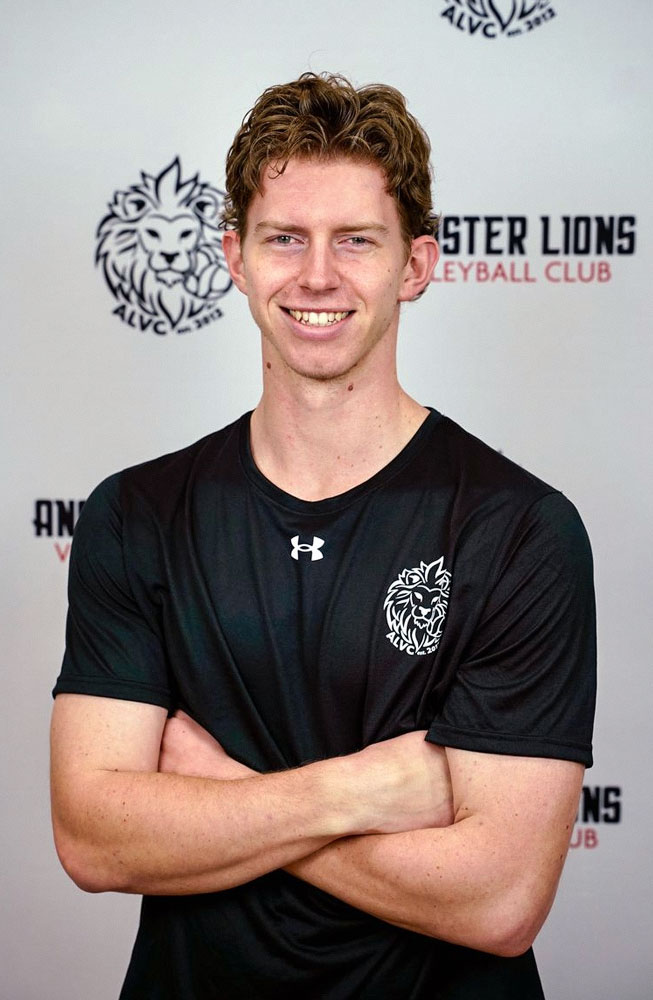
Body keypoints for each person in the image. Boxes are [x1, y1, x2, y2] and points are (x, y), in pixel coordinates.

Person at [50, 72, 596, 999]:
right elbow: (94, 840)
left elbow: (499, 900)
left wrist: (221, 791)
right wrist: (355, 792)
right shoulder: (135, 514)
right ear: (234, 257)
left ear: (414, 266)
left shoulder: (517, 529)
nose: (315, 275)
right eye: (284, 238)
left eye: (355, 240)